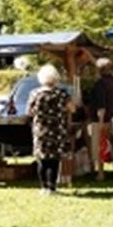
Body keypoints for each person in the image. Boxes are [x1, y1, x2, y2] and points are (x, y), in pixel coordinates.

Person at [27, 63, 72, 194]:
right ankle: (52, 187)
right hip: (57, 130)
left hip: (40, 130)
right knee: (54, 160)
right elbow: (72, 108)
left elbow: (29, 112)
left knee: (42, 159)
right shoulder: (62, 94)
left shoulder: (34, 93)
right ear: (56, 78)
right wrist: (61, 110)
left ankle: (43, 187)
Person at [85, 58, 113, 180]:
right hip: (110, 118)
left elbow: (101, 106)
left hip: (101, 120)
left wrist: (101, 122)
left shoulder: (100, 84)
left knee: (99, 147)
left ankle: (101, 173)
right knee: (111, 145)